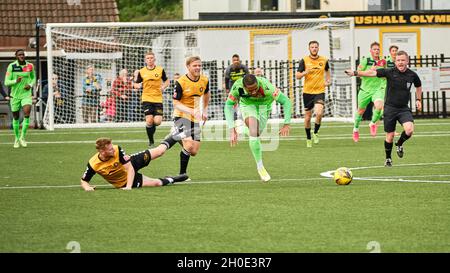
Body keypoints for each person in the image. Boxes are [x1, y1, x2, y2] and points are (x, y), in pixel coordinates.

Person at [345, 50, 422, 167]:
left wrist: (418, 100)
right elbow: (371, 73)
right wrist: (355, 73)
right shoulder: (389, 72)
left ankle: (400, 143)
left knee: (409, 130)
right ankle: (388, 158)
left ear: (407, 61)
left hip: (403, 109)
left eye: (403, 60)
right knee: (389, 136)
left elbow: (418, 86)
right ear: (395, 62)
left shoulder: (412, 75)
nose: (400, 62)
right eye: (398, 60)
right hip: (390, 109)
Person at [224, 74, 291, 182]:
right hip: (247, 106)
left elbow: (286, 101)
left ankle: (241, 128)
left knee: (256, 133)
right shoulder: (237, 86)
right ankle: (260, 167)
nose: (253, 92)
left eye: (255, 89)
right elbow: (228, 105)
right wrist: (231, 129)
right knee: (254, 131)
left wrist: (286, 124)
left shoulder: (267, 87)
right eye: (250, 90)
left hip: (264, 108)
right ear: (244, 87)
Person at [80, 137, 189, 191]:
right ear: (102, 152)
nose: (113, 150)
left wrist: (128, 187)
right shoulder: (93, 164)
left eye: (112, 147)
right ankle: (173, 179)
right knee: (156, 183)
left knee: (160, 151)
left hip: (131, 165)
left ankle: (174, 136)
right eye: (109, 149)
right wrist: (87, 187)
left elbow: (130, 167)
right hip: (124, 181)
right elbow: (84, 180)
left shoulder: (117, 149)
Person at [164, 56, 210, 177]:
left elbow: (206, 94)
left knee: (194, 151)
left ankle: (175, 135)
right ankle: (182, 174)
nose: (198, 67)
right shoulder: (181, 82)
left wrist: (205, 110)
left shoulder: (204, 80)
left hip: (195, 118)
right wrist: (191, 110)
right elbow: (175, 103)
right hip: (181, 116)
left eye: (199, 65)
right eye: (195, 65)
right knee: (189, 145)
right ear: (188, 67)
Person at [295, 41, 331, 147]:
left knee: (319, 113)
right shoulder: (304, 60)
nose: (314, 48)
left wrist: (328, 80)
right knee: (307, 118)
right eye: (312, 47)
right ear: (309, 48)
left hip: (320, 91)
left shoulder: (324, 60)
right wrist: (304, 73)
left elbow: (327, 71)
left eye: (316, 47)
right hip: (307, 92)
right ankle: (308, 138)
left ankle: (315, 132)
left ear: (318, 48)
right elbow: (297, 75)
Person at [351, 42, 387, 142]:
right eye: (374, 49)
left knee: (379, 106)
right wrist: (370, 71)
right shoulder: (365, 61)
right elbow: (359, 74)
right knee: (360, 111)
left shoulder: (383, 62)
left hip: (377, 89)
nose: (376, 51)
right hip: (365, 90)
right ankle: (356, 129)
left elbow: (385, 74)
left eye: (378, 49)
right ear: (370, 51)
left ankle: (372, 123)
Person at [134, 51, 170, 146]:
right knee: (149, 120)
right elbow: (136, 84)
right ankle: (151, 141)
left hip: (158, 99)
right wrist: (138, 85)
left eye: (151, 58)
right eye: (148, 58)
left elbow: (167, 81)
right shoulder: (142, 71)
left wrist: (163, 87)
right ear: (145, 60)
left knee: (157, 122)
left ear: (154, 59)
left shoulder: (160, 70)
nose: (150, 60)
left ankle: (151, 129)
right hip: (146, 98)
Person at [4, 49, 36, 148]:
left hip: (26, 94)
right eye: (19, 55)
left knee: (27, 113)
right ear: (16, 56)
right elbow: (6, 82)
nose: (22, 56)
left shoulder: (30, 66)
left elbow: (33, 77)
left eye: (23, 54)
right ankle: (16, 138)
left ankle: (22, 137)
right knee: (16, 117)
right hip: (15, 96)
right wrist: (15, 81)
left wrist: (30, 85)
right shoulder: (11, 66)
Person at [224, 54, 249, 123]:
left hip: (242, 88)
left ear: (239, 60)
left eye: (237, 60)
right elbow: (226, 79)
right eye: (234, 60)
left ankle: (243, 117)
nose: (236, 61)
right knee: (233, 103)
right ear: (232, 61)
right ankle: (234, 118)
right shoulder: (229, 69)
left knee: (242, 102)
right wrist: (227, 89)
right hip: (233, 88)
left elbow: (248, 78)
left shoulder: (244, 68)